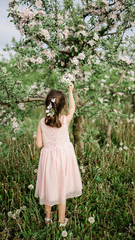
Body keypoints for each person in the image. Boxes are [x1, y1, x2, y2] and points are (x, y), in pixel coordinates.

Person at [34, 82, 83, 227]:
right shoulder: (64, 120)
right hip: (64, 159)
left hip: (48, 160)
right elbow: (73, 108)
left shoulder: (42, 122)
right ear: (62, 107)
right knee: (62, 188)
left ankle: (47, 220)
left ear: (47, 105)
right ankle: (61, 222)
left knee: (49, 188)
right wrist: (71, 91)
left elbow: (38, 144)